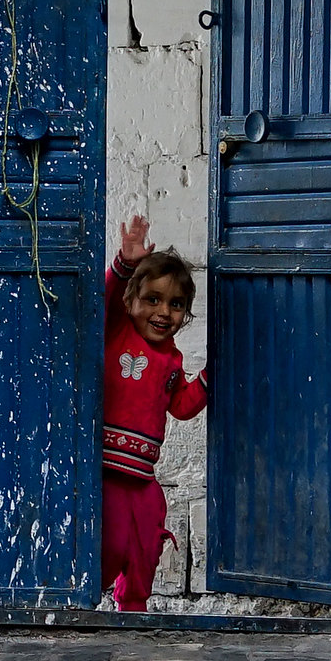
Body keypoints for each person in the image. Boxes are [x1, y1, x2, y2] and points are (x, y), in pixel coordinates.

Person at [102, 214, 208, 612]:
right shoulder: (117, 331)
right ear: (130, 302)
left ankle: (133, 607)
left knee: (147, 540)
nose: (164, 312)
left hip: (143, 479)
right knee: (109, 543)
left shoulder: (174, 360)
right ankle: (87, 599)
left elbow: (181, 406)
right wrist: (125, 263)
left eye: (176, 304)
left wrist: (209, 378)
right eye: (153, 299)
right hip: (108, 472)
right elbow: (106, 298)